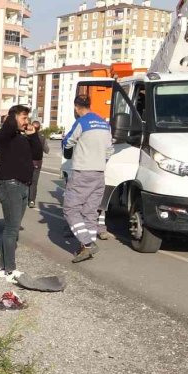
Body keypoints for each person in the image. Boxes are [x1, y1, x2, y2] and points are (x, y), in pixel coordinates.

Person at [62, 95, 114, 263]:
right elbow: (109, 151)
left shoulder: (82, 122)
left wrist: (68, 151)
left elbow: (67, 142)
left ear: (77, 107)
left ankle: (87, 243)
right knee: (90, 212)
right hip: (99, 173)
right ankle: (87, 249)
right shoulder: (104, 124)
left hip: (82, 172)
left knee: (70, 209)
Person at [0, 105, 34, 283]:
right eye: (23, 118)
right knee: (11, 230)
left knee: (13, 229)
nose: (27, 121)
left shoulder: (21, 138)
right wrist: (13, 117)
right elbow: (8, 128)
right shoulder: (3, 136)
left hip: (23, 186)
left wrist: (33, 136)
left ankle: (3, 268)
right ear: (13, 118)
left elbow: (38, 153)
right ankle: (10, 270)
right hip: (10, 186)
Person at [27, 120, 49, 208]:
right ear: (39, 128)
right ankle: (31, 200)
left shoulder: (27, 136)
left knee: (25, 180)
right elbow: (47, 150)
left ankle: (24, 198)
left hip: (27, 161)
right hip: (37, 163)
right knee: (34, 182)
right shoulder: (42, 137)